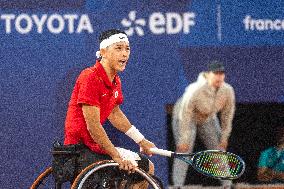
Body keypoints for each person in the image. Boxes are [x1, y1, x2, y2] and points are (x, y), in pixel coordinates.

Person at [64, 29, 156, 188]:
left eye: (127, 48)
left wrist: (141, 140)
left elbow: (114, 114)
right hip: (80, 149)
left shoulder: (115, 81)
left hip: (95, 147)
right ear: (103, 52)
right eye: (118, 48)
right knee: (132, 168)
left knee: (147, 168)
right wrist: (116, 156)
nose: (125, 54)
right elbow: (93, 126)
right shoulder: (90, 77)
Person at [171, 61, 236, 188]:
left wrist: (224, 137)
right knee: (184, 149)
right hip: (185, 117)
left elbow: (227, 115)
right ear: (208, 74)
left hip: (207, 117)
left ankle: (227, 185)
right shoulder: (195, 89)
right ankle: (178, 185)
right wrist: (183, 139)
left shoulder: (228, 90)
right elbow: (185, 115)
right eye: (216, 73)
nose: (219, 76)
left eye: (221, 73)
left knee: (219, 148)